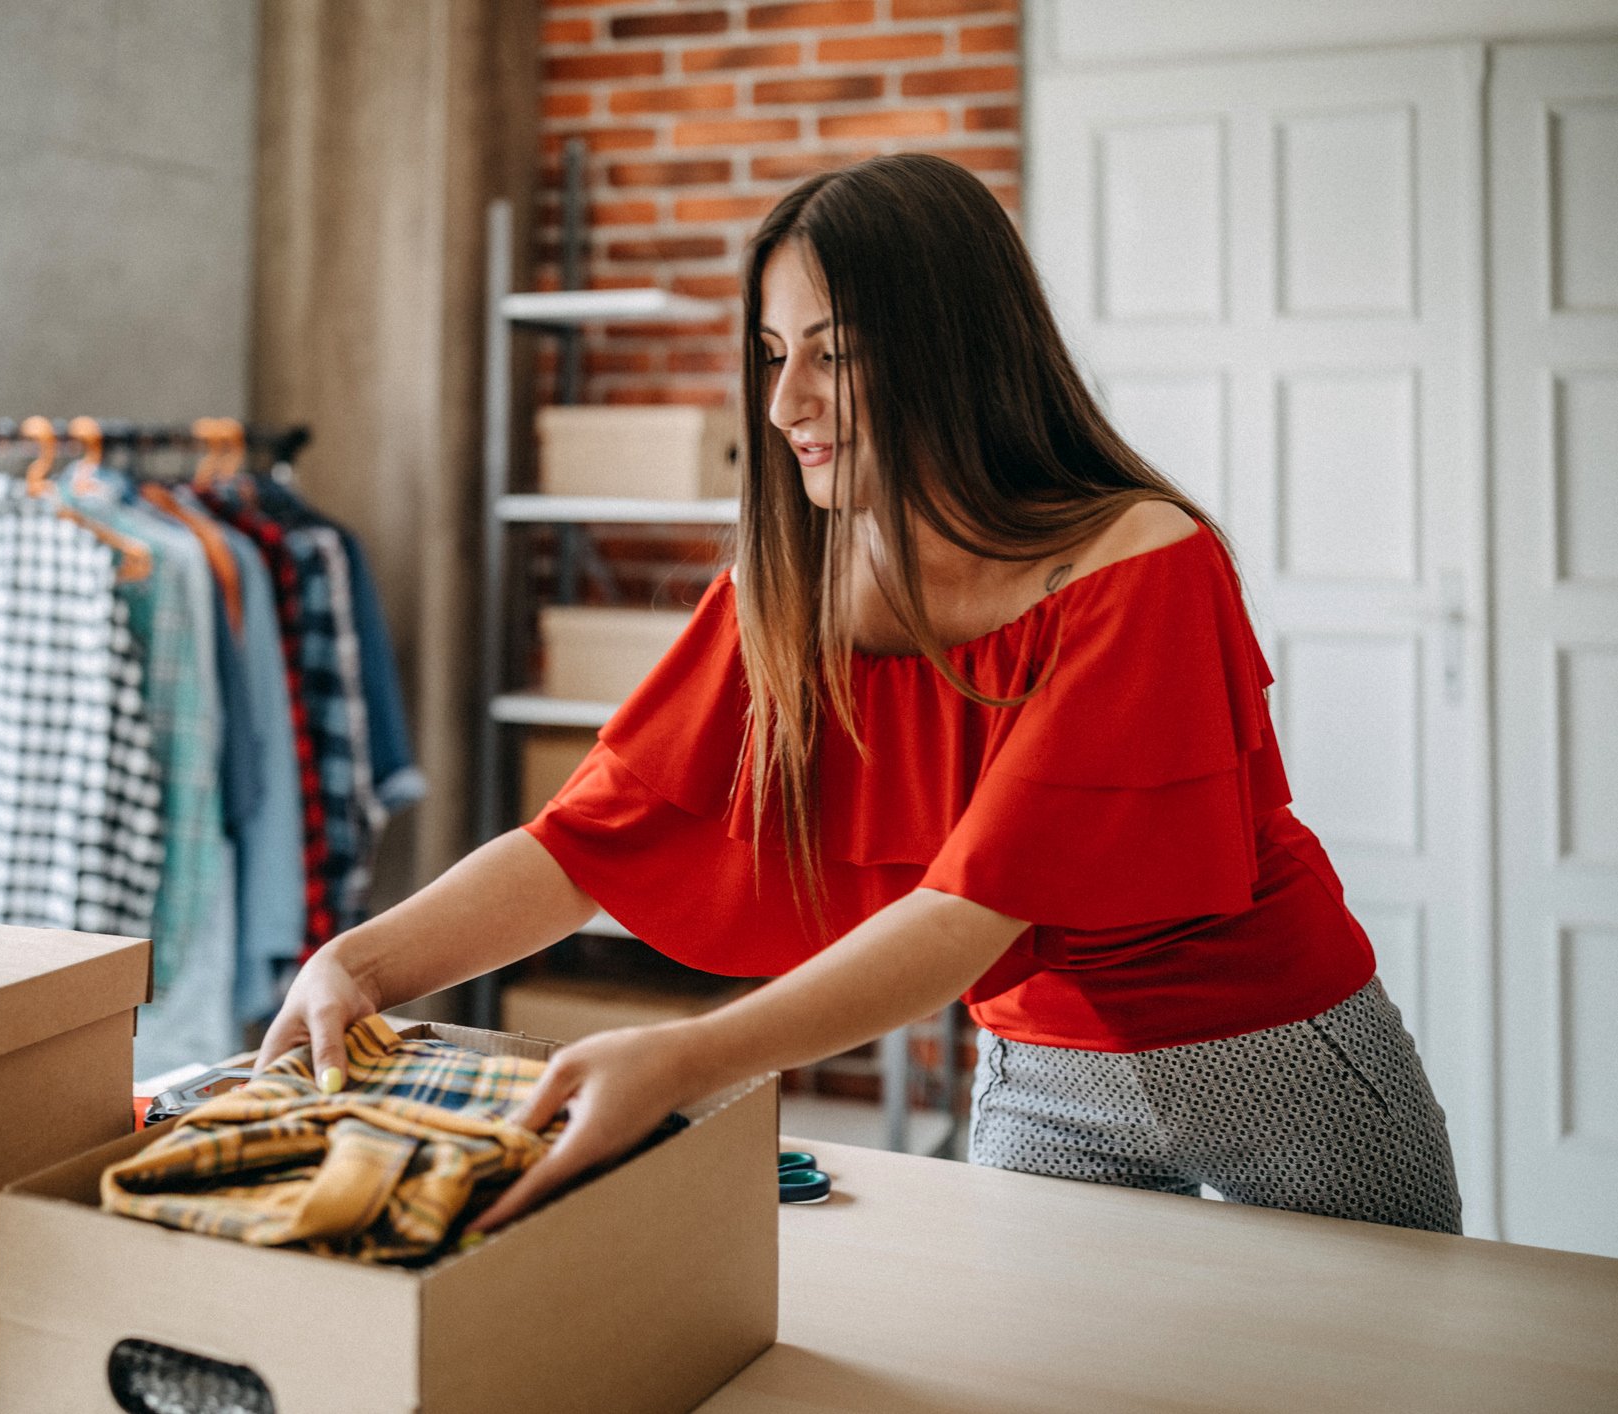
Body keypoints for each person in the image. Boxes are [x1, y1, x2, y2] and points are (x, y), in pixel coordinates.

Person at [258, 153, 1462, 1236]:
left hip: (1277, 1051)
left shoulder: (1144, 559)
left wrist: (689, 1058)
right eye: (773, 355)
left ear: (956, 349)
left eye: (832, 354)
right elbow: (588, 841)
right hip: (1042, 1072)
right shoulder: (789, 585)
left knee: (1385, 1362)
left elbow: (968, 913)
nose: (784, 406)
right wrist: (358, 963)